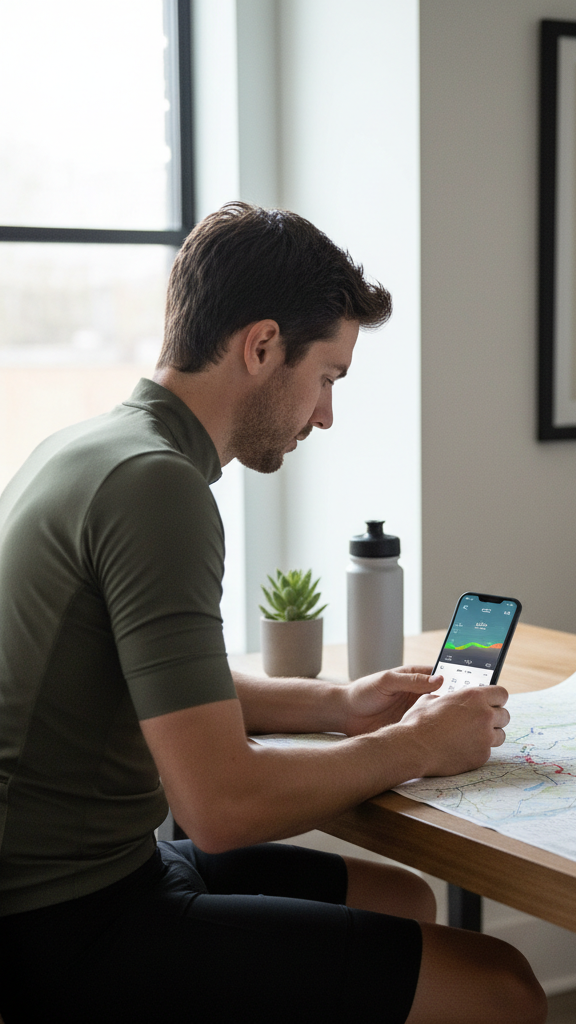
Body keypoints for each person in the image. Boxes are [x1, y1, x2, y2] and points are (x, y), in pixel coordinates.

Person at [0, 202, 547, 1024]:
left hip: (111, 873)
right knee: (501, 988)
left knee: (400, 897)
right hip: (65, 925)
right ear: (261, 347)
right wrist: (415, 746)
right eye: (326, 378)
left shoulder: (91, 449)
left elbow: (159, 684)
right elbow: (222, 808)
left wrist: (341, 705)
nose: (325, 415)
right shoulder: (158, 489)